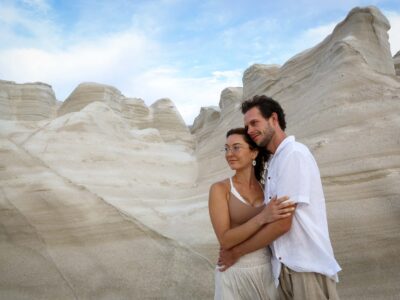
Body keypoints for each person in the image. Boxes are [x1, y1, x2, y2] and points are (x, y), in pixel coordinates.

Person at [218, 95, 342, 300]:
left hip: (306, 268)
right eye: (247, 126)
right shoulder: (276, 161)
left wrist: (236, 252)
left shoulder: (294, 154)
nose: (249, 130)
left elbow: (282, 223)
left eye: (254, 122)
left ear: (273, 119)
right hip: (285, 270)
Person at [209, 127, 295, 300]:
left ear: (254, 153)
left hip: (267, 272)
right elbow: (225, 240)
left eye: (236, 147)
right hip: (232, 272)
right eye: (226, 148)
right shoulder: (220, 189)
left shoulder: (268, 189)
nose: (229, 153)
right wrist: (262, 217)